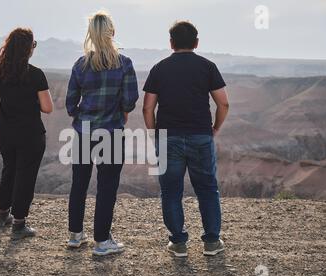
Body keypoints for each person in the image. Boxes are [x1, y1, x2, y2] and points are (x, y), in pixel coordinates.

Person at [143, 21, 230, 257]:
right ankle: (212, 242)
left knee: (171, 191)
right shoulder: (207, 66)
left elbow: (147, 109)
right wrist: (215, 128)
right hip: (201, 135)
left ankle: (178, 243)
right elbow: (223, 102)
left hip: (168, 137)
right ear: (196, 42)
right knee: (207, 189)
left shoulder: (159, 68)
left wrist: (154, 134)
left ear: (171, 43)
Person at [65, 11, 139, 256]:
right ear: (112, 32)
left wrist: (82, 114)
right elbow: (130, 100)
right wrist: (119, 111)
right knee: (106, 187)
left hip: (84, 131)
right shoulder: (124, 63)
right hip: (111, 132)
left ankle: (75, 236)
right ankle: (101, 241)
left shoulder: (80, 64)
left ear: (91, 34)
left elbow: (69, 103)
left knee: (79, 184)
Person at [0, 28, 53, 240]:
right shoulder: (35, 74)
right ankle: (19, 223)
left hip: (6, 131)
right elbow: (47, 107)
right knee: (25, 175)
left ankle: (2, 215)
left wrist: (3, 121)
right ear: (28, 49)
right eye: (33, 45)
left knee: (9, 169)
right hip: (31, 133)